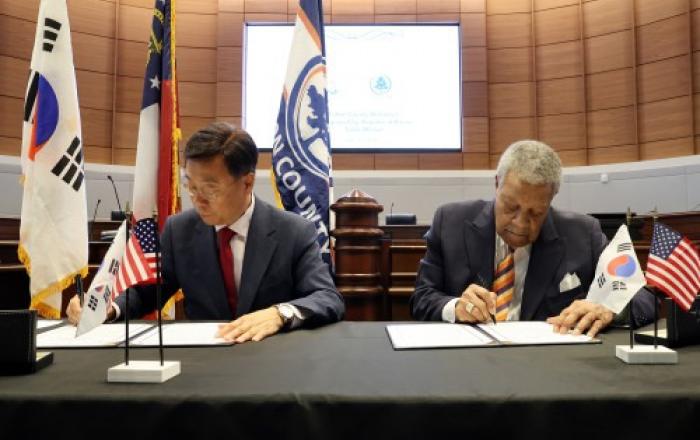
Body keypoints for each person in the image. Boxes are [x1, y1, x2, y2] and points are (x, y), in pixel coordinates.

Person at [67, 122, 344, 342]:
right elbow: (146, 293)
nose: (198, 200)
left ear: (247, 183)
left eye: (210, 189)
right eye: (191, 187)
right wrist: (108, 306)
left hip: (271, 360)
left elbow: (327, 297)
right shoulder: (179, 230)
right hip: (203, 362)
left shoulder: (293, 232)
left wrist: (278, 314)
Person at [410, 139, 654, 336]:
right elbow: (421, 298)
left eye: (535, 213)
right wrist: (455, 308)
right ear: (497, 184)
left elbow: (644, 300)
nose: (520, 223)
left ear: (551, 199)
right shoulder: (450, 222)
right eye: (510, 206)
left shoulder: (583, 234)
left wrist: (609, 309)